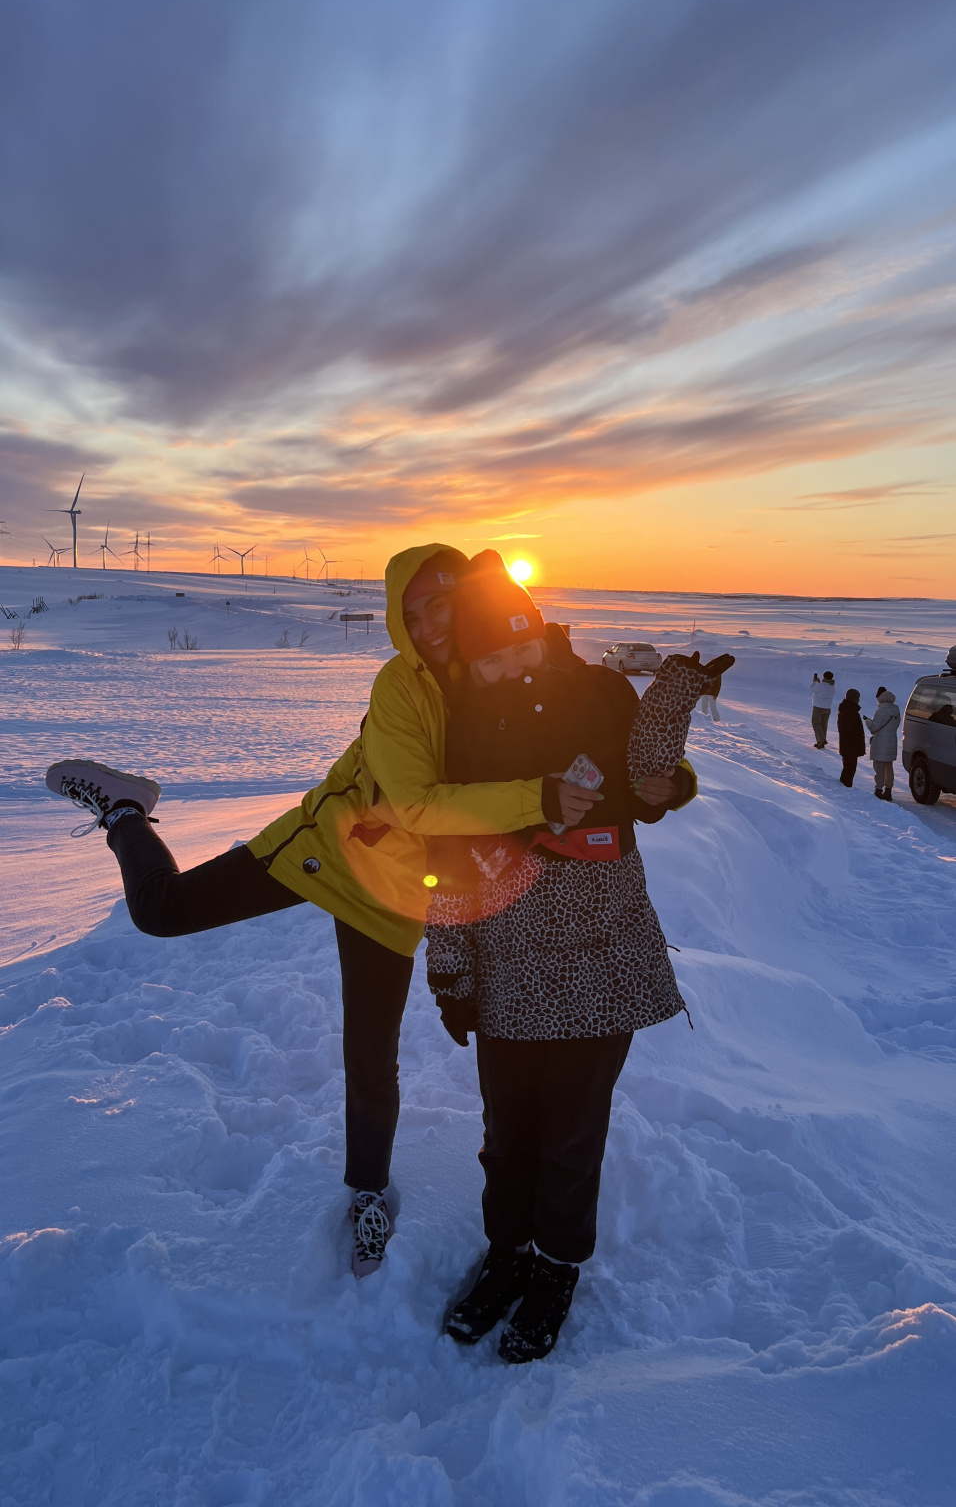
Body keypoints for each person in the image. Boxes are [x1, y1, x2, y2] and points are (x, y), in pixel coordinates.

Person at [46, 544, 693, 1277]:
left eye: (440, 606)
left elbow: (587, 739)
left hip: (405, 889)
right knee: (162, 911)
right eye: (409, 615)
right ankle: (127, 807)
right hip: (337, 852)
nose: (427, 626)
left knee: (372, 1050)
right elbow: (418, 802)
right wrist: (536, 798)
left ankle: (367, 1190)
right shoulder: (401, 687)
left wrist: (664, 779)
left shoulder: (495, 673)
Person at [422, 553, 730, 1363]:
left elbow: (643, 776)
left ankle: (557, 1267)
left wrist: (672, 700)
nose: (511, 667)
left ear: (540, 631)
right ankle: (508, 1254)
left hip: (602, 959)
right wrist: (450, 965)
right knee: (507, 1131)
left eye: (521, 647)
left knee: (571, 1132)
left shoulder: (598, 692)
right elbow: (448, 848)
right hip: (507, 965)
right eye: (491, 658)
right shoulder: (464, 724)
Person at [864, 685, 901, 801]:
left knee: (879, 767)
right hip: (891, 742)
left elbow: (874, 728)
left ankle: (879, 789)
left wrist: (867, 721)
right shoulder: (896, 710)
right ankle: (888, 791)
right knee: (889, 767)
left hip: (880, 743)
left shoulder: (880, 711)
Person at [836, 688, 865, 787]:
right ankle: (845, 787)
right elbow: (852, 731)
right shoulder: (851, 712)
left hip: (847, 744)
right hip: (851, 745)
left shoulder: (845, 709)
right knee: (850, 768)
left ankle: (845, 786)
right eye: (858, 698)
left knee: (848, 767)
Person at [810, 670, 836, 749]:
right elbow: (824, 689)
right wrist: (820, 683)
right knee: (823, 725)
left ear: (824, 677)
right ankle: (821, 742)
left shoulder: (820, 685)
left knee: (816, 723)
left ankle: (821, 740)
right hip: (827, 708)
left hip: (818, 707)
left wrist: (814, 682)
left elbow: (812, 688)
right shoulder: (832, 687)